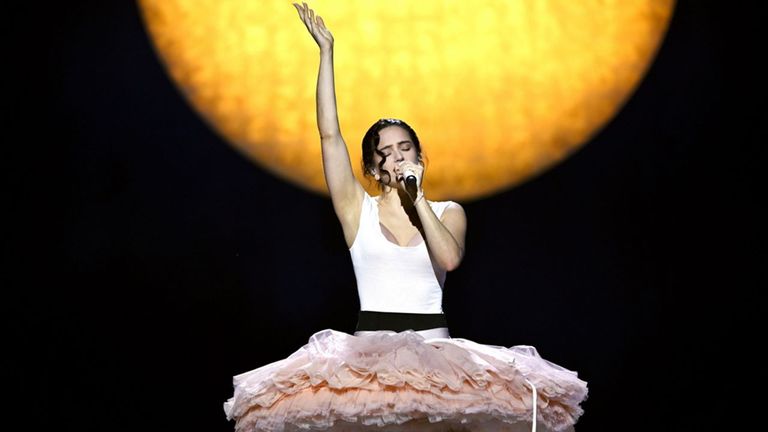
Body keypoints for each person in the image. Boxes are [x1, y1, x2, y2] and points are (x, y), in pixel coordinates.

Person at [224, 3, 587, 431]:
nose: (397, 157)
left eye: (406, 149)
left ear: (419, 156)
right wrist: (326, 52)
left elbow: (450, 260)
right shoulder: (357, 210)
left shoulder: (448, 211)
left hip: (436, 357)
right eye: (387, 152)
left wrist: (419, 200)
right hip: (367, 361)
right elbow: (329, 135)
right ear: (376, 168)